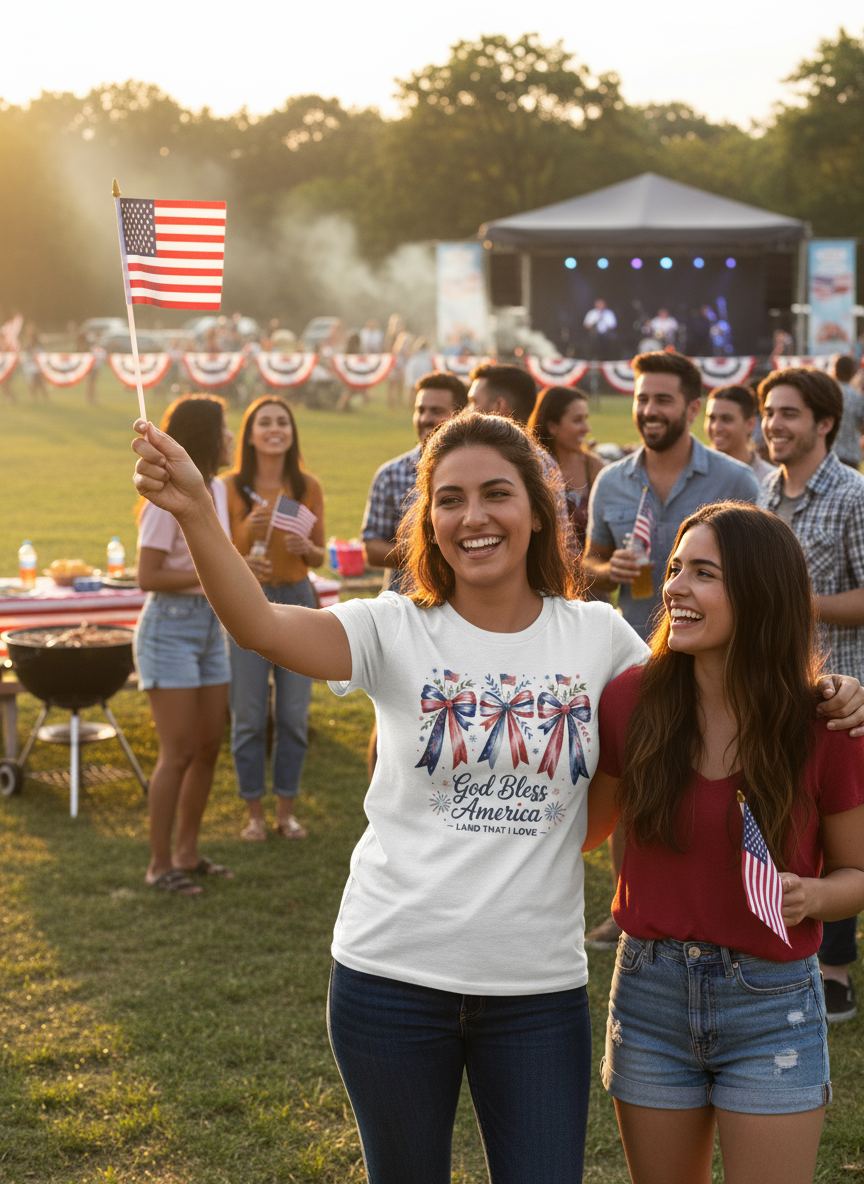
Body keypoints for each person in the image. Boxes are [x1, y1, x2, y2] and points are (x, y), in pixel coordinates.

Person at [132, 409, 864, 1180]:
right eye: (449, 500)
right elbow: (258, 625)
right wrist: (194, 509)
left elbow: (706, 693)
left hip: (535, 991)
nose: (472, 517)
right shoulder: (392, 629)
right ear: (429, 520)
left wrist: (829, 692)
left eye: (496, 494)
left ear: (538, 512)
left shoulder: (598, 638)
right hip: (389, 977)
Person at [584, 502, 864, 1184]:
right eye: (675, 568)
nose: (674, 587)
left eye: (703, 573)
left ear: (761, 594)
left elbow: (857, 873)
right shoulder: (628, 702)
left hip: (772, 1002)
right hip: (649, 995)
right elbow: (586, 830)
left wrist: (812, 896)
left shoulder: (824, 724)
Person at [582, 350, 760, 948]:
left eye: (662, 399)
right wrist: (607, 568)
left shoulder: (735, 481)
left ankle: (723, 901)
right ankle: (627, 903)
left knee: (714, 785)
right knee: (630, 781)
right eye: (641, 398)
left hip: (717, 666)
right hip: (635, 657)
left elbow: (760, 573)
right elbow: (588, 567)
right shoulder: (612, 480)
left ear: (692, 406)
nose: (649, 410)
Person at [758, 366, 864, 1022]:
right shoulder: (762, 493)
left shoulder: (853, 495)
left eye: (788, 413)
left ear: (825, 422)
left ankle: (836, 971)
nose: (774, 424)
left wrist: (793, 602)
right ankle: (785, 949)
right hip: (771, 691)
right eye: (769, 411)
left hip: (841, 694)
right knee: (790, 821)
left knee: (839, 828)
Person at [134, 395, 235, 895]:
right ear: (207, 437)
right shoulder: (167, 496)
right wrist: (214, 575)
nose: (232, 437)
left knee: (208, 747)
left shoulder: (216, 489)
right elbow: (147, 575)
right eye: (225, 429)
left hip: (210, 629)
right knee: (176, 753)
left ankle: (187, 853)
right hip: (168, 630)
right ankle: (159, 865)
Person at [222, 396, 325, 841]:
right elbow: (219, 553)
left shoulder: (307, 486)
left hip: (297, 600)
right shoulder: (229, 487)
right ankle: (254, 814)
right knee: (247, 715)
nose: (274, 429)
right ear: (250, 434)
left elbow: (319, 554)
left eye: (282, 421)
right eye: (264, 422)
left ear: (292, 432)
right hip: (247, 601)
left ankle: (286, 811)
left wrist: (308, 549)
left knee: (292, 715)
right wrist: (247, 536)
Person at [360, 371, 468, 593]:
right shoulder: (390, 474)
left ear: (460, 415)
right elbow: (371, 549)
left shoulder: (476, 472)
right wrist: (434, 551)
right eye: (420, 410)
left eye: (436, 411)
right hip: (406, 599)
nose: (425, 418)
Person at [527, 385, 605, 554]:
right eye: (577, 420)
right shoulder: (533, 468)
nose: (586, 428)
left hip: (590, 568)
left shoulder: (593, 466)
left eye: (586, 418)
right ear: (552, 427)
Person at [704, 384, 775, 483]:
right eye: (712, 418)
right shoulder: (692, 475)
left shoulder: (770, 481)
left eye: (726, 419)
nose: (716, 428)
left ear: (750, 424)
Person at [831, 355, 864, 469]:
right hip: (851, 454)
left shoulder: (827, 393)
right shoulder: (857, 396)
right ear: (852, 373)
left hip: (829, 453)